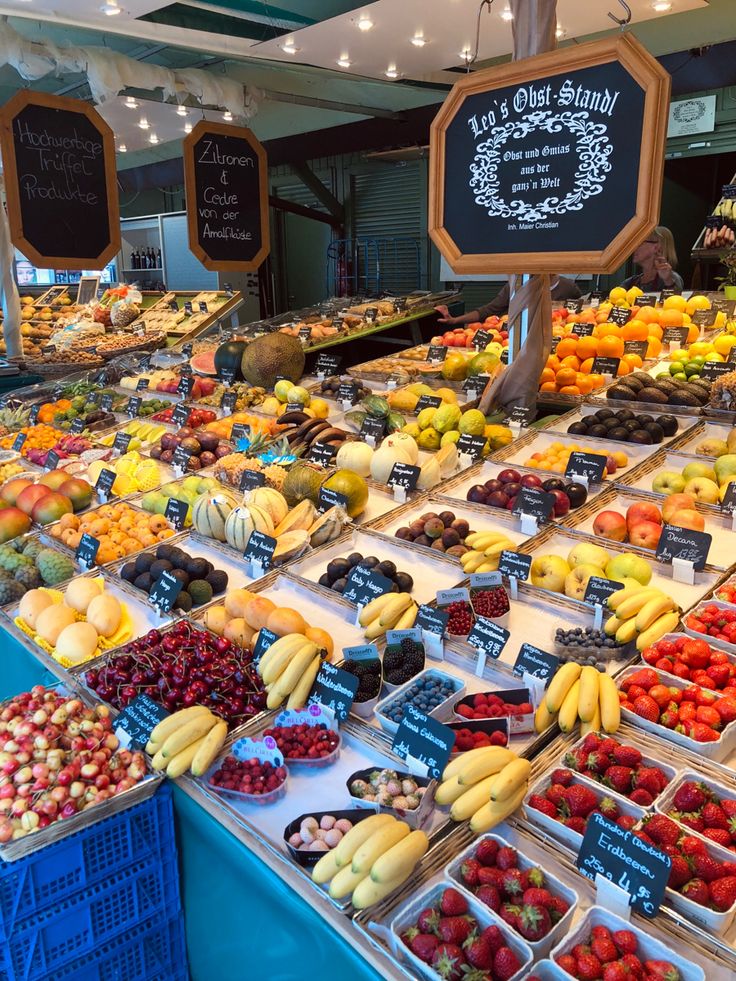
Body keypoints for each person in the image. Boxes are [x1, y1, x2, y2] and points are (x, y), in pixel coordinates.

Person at [435, 275, 581, 325]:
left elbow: (581, 314)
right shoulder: (515, 285)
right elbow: (490, 309)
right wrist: (455, 320)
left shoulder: (568, 287)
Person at [622, 226, 683, 293]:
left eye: (639, 242)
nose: (634, 247)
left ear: (656, 247)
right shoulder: (630, 283)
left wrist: (668, 281)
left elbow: (676, 301)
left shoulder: (672, 279)